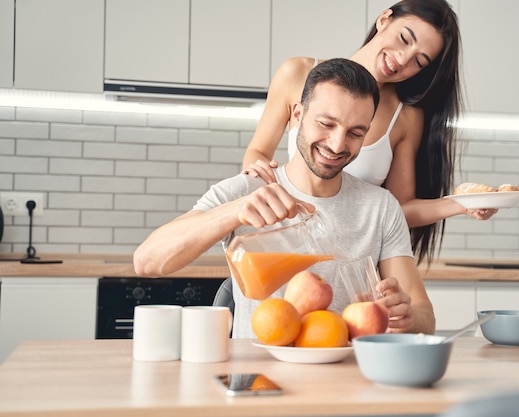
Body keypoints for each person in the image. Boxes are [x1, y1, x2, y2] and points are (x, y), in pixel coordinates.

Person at [134, 58, 435, 338]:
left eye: (356, 132)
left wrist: (406, 315)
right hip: (258, 376)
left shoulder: (380, 207)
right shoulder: (247, 190)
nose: (338, 143)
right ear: (297, 115)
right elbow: (147, 261)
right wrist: (235, 212)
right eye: (326, 124)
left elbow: (424, 317)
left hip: (345, 378)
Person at [242, 0, 496, 266]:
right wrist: (262, 184)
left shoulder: (405, 117)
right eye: (403, 39)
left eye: (418, 62)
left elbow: (399, 208)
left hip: (355, 262)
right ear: (384, 19)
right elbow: (257, 151)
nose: (402, 60)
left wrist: (461, 204)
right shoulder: (298, 74)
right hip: (289, 252)